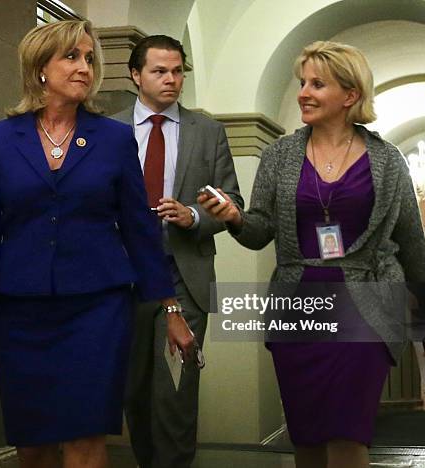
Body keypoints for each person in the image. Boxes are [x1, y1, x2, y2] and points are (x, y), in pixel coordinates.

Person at [198, 41, 425, 468]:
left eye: (318, 83)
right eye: (303, 82)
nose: (303, 92)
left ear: (350, 95)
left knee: (348, 434)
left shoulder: (388, 161)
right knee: (308, 439)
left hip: (367, 309)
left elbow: (411, 243)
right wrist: (234, 218)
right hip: (299, 306)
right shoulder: (280, 155)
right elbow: (260, 231)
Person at [0, 21, 194, 468]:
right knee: (33, 443)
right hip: (21, 310)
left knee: (86, 437)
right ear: (40, 67)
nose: (85, 67)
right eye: (71, 57)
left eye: (89, 58)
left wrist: (171, 308)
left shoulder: (113, 139)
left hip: (98, 309)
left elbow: (140, 231)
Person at [112, 35, 243, 468]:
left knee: (175, 397)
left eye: (178, 71)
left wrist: (194, 215)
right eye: (160, 71)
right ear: (135, 75)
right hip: (121, 282)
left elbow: (231, 205)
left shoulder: (207, 132)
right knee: (134, 394)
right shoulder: (107, 130)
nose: (172, 80)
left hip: (182, 280)